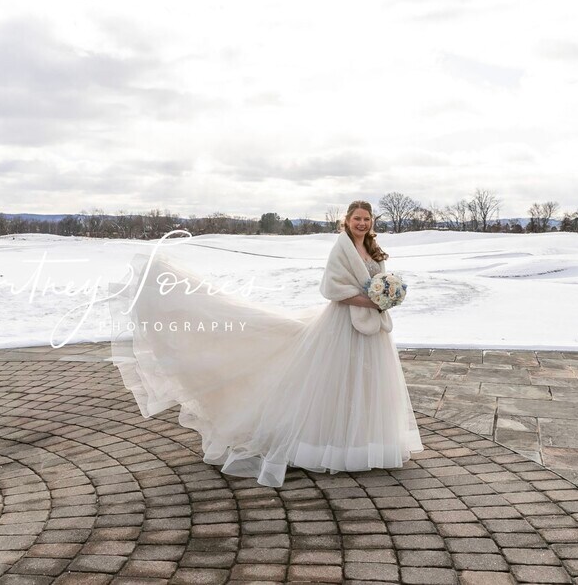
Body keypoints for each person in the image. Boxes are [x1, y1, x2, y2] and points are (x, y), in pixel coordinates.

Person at [107, 200, 424, 487]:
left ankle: (366, 443)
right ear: (347, 220)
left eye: (366, 219)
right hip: (342, 326)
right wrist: (373, 302)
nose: (362, 223)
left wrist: (385, 297)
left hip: (372, 331)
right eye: (357, 218)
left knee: (367, 384)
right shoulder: (341, 250)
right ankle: (331, 445)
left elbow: (376, 284)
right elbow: (331, 289)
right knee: (334, 383)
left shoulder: (374, 250)